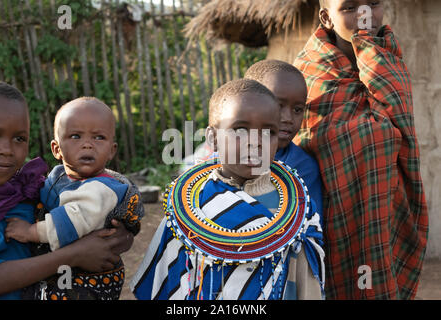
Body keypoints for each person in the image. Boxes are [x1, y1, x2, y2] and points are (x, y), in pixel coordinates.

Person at [130, 79, 324, 300]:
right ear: (213, 137)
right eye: (240, 129)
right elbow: (170, 277)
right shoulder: (190, 206)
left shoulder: (297, 205)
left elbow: (307, 282)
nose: (255, 142)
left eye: (268, 131)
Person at [292, 0, 429, 299]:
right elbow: (306, 141)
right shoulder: (305, 74)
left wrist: (370, 52)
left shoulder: (389, 60)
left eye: (374, 3)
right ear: (326, 18)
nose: (365, 15)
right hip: (331, 212)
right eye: (351, 7)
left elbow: (400, 134)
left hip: (385, 207)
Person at [0, 81, 134, 300]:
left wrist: (119, 234)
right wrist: (74, 255)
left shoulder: (28, 190)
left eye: (19, 138)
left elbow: (82, 212)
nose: (6, 150)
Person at [244, 59, 323, 227]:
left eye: (297, 110)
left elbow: (312, 227)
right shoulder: (226, 160)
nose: (288, 118)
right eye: (278, 106)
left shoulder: (303, 168)